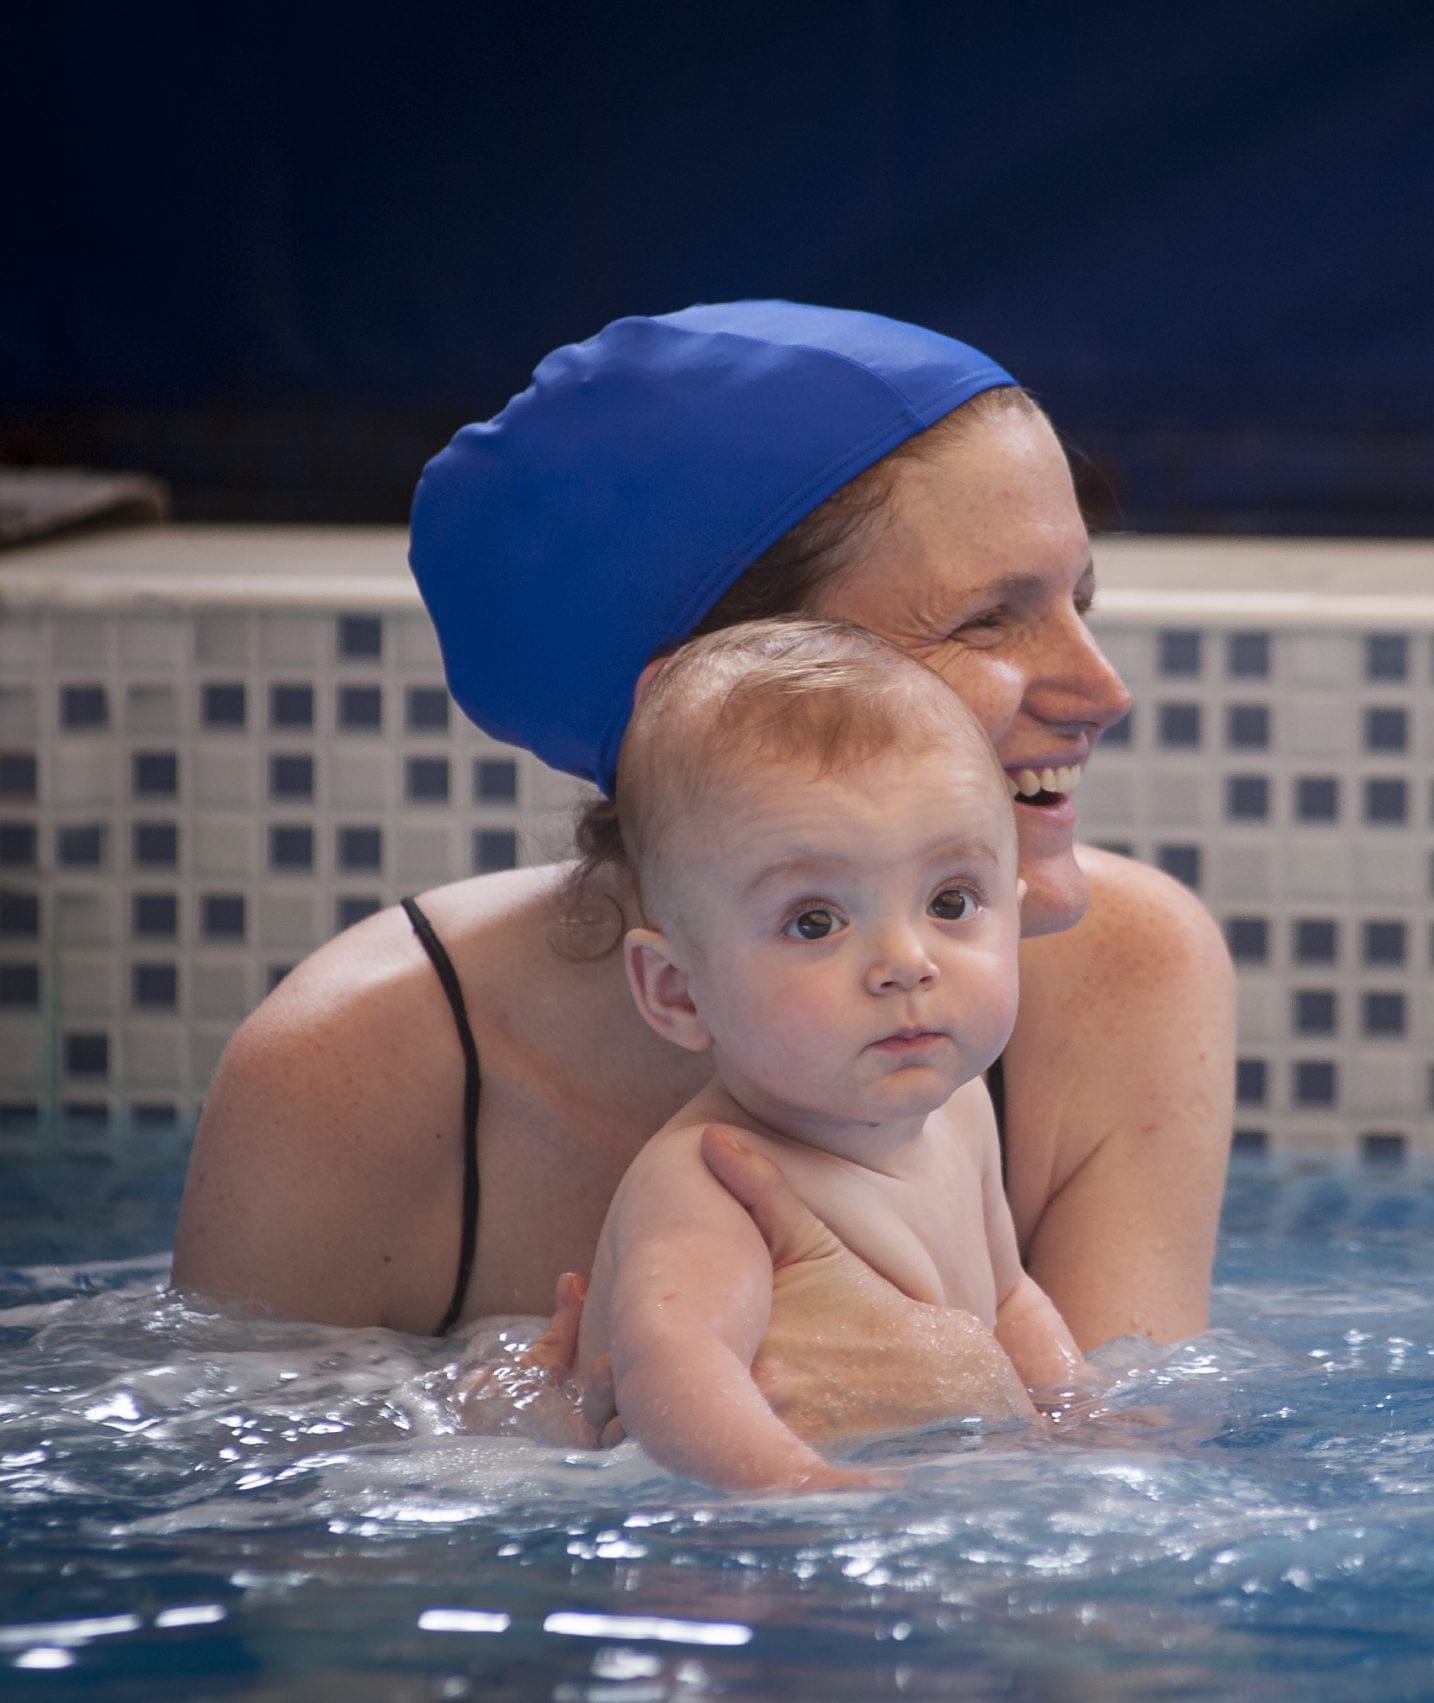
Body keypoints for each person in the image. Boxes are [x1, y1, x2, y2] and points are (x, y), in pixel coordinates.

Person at [170, 303, 1234, 1445]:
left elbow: (1123, 1537)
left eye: (1078, 600)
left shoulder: (1118, 969)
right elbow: (256, 1544)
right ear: (713, 691)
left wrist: (948, 1383)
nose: (1102, 689)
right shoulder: (355, 1070)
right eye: (988, 622)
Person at [576, 619, 1085, 1490]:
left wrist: (1086, 1421)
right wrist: (806, 1490)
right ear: (677, 990)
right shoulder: (711, 1179)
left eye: (953, 899)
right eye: (816, 920)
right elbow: (674, 1366)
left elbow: (1009, 1300)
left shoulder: (959, 1111)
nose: (906, 962)